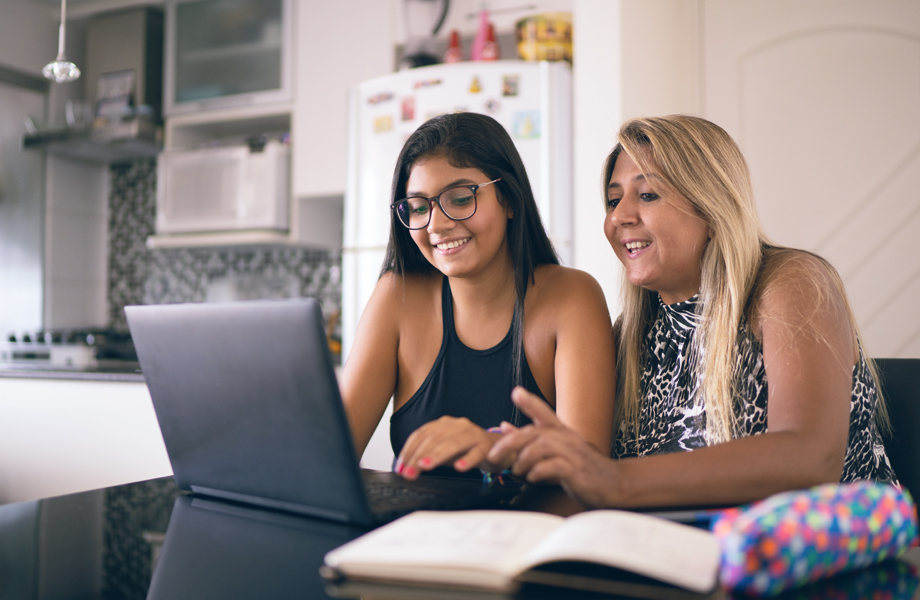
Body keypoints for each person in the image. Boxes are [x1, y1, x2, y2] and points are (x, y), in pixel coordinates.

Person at [488, 114, 897, 508]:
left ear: (711, 206)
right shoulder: (629, 336)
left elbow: (810, 458)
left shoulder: (789, 282)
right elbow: (579, 478)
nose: (619, 217)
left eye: (647, 194)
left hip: (824, 559)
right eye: (614, 200)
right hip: (678, 562)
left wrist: (616, 482)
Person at [339, 112, 615, 480]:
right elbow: (333, 458)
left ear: (509, 199)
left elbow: (591, 481)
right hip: (414, 532)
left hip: (530, 533)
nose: (436, 224)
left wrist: (498, 449)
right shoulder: (396, 298)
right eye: (419, 206)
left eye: (459, 197)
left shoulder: (571, 298)